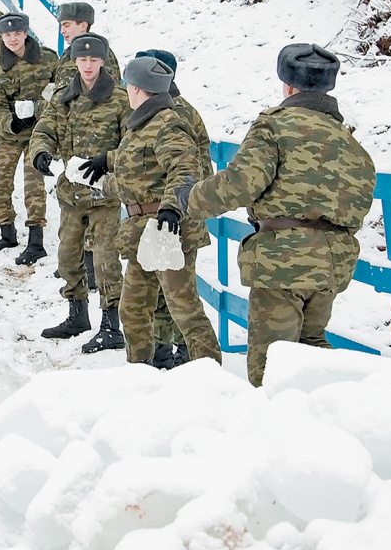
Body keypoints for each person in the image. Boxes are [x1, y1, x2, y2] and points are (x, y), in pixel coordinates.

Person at [179, 43, 376, 387]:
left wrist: (190, 198)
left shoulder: (275, 126)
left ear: (288, 85)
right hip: (332, 266)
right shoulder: (348, 141)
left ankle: (274, 433)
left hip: (282, 263)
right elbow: (359, 202)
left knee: (271, 366)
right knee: (312, 355)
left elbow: (239, 185)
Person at [81, 56, 222, 365]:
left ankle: (210, 377)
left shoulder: (167, 123)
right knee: (132, 309)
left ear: (136, 88)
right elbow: (139, 174)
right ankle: (139, 373)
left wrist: (171, 208)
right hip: (142, 234)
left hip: (166, 231)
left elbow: (185, 169)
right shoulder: (143, 123)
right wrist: (105, 165)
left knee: (184, 310)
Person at [30, 34, 129, 351]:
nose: (87, 65)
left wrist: (109, 161)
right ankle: (77, 316)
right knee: (68, 258)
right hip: (71, 196)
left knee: (105, 260)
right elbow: (44, 129)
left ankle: (111, 325)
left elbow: (132, 142)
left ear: (103, 61)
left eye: (93, 60)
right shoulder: (62, 97)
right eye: (82, 60)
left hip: (104, 197)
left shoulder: (121, 99)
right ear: (75, 62)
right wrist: (41, 153)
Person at [132, 48, 212, 369]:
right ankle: (162, 351)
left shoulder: (178, 114)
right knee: (160, 292)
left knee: (180, 294)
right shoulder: (145, 110)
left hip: (178, 216)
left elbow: (196, 166)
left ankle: (190, 356)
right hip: (154, 217)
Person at [0, 12, 58, 264]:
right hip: (10, 133)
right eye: (7, 34)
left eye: (17, 33)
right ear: (1, 36)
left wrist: (38, 110)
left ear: (26, 33)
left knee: (34, 185)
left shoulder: (48, 59)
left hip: (39, 132)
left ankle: (36, 241)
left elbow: (59, 96)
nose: (12, 39)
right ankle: (7, 233)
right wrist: (11, 122)